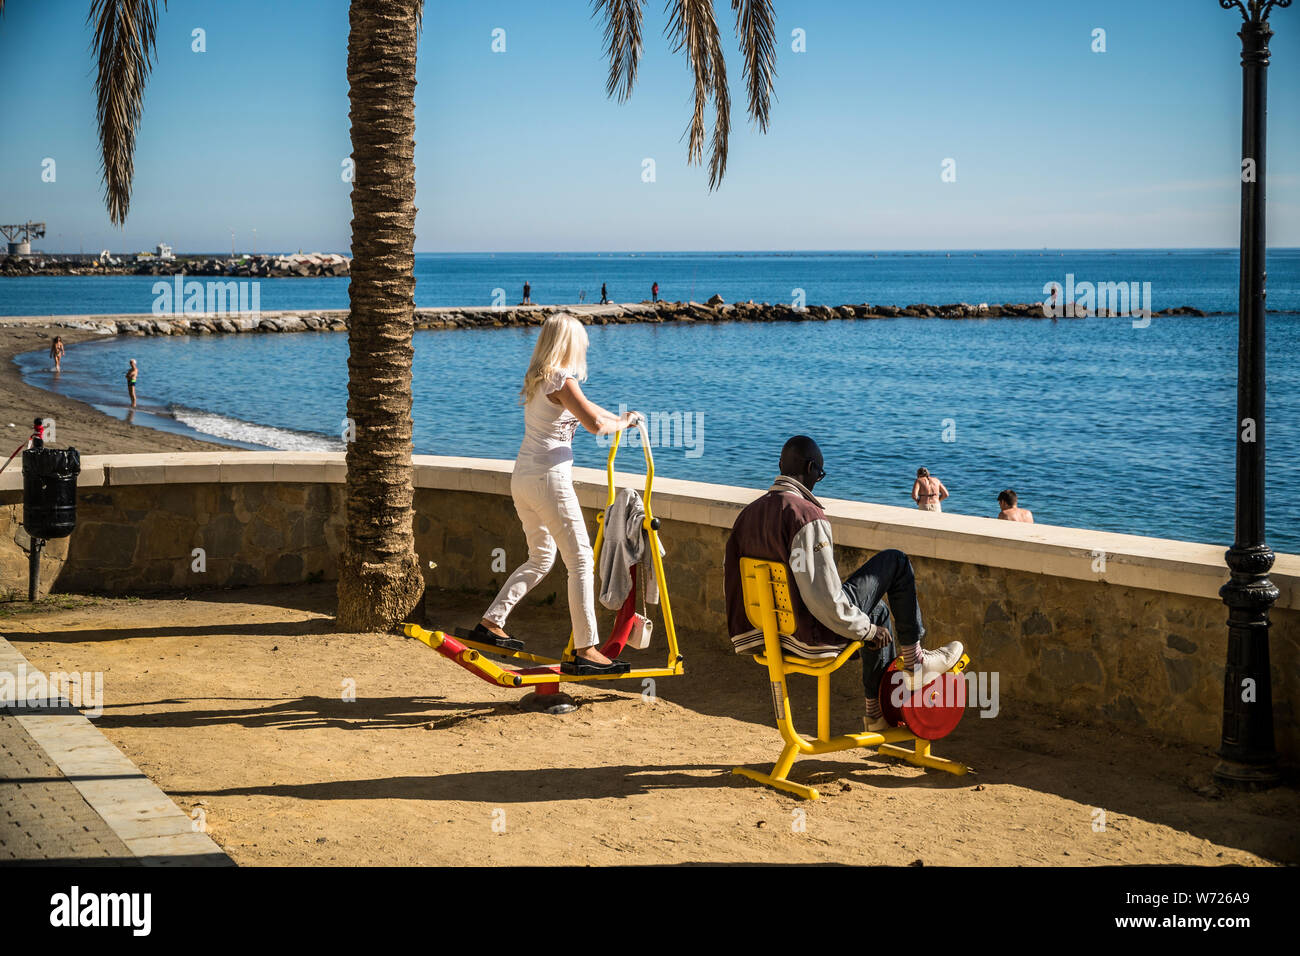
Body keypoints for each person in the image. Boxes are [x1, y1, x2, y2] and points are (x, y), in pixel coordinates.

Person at [724, 436, 963, 732]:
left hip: (766, 636)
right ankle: (916, 660)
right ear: (811, 468)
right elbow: (824, 598)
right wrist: (866, 631)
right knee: (896, 562)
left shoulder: (747, 516)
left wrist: (872, 625)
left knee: (878, 614)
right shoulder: (806, 517)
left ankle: (876, 715)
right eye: (819, 475)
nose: (817, 481)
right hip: (810, 636)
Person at [474, 312, 643, 674]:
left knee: (541, 558)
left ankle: (491, 622)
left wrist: (621, 417)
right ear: (569, 343)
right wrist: (623, 423)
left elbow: (591, 410)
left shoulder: (540, 378)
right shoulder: (560, 378)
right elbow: (596, 424)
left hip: (524, 476)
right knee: (581, 560)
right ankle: (587, 648)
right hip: (548, 479)